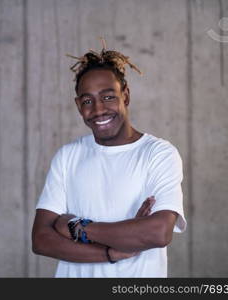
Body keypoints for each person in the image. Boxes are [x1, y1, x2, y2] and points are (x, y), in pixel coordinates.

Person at [31, 39, 186, 277]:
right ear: (78, 106)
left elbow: (157, 233)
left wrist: (75, 226)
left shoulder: (159, 153)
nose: (98, 109)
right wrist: (112, 251)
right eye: (87, 101)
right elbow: (41, 239)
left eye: (108, 97)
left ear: (125, 96)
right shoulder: (67, 156)